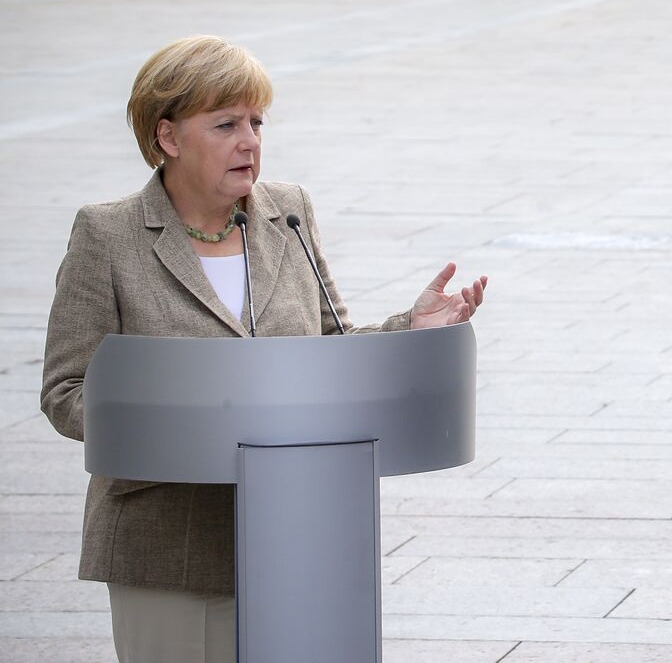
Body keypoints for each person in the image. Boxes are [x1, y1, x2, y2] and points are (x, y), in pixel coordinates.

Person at [40, 35, 488, 663]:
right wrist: (174, 421)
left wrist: (410, 328)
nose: (250, 141)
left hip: (303, 535)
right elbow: (65, 391)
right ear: (168, 136)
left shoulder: (289, 212)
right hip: (170, 545)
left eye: (256, 122)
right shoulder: (107, 234)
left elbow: (332, 351)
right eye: (226, 124)